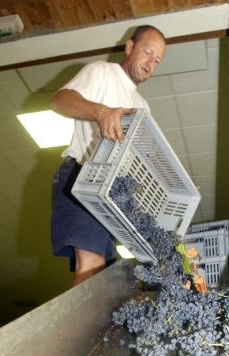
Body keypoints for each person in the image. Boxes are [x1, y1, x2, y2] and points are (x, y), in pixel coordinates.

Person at [50, 25, 166, 287]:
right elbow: (59, 100)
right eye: (147, 52)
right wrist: (101, 112)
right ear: (129, 47)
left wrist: (173, 180)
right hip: (82, 176)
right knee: (92, 265)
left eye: (157, 60)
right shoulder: (102, 72)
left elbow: (145, 157)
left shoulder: (143, 107)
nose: (151, 63)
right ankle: (76, 330)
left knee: (107, 279)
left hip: (111, 193)